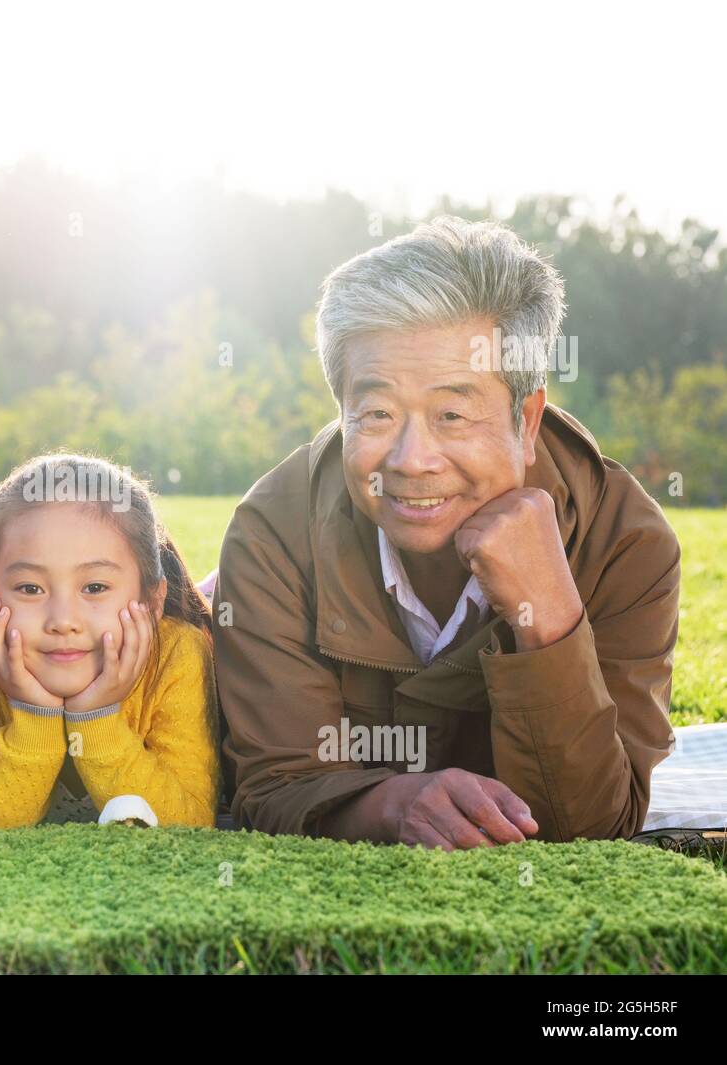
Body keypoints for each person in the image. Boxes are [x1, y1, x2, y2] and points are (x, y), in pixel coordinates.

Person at [214, 217, 680, 848]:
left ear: (526, 419)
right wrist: (389, 804)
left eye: (453, 414)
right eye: (376, 414)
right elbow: (274, 787)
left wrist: (547, 617)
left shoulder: (626, 544)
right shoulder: (272, 533)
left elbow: (592, 826)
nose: (412, 459)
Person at [0, 453, 221, 830]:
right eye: (30, 588)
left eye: (95, 587)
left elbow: (189, 824)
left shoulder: (176, 654)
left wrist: (96, 719)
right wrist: (35, 717)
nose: (63, 621)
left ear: (151, 602)